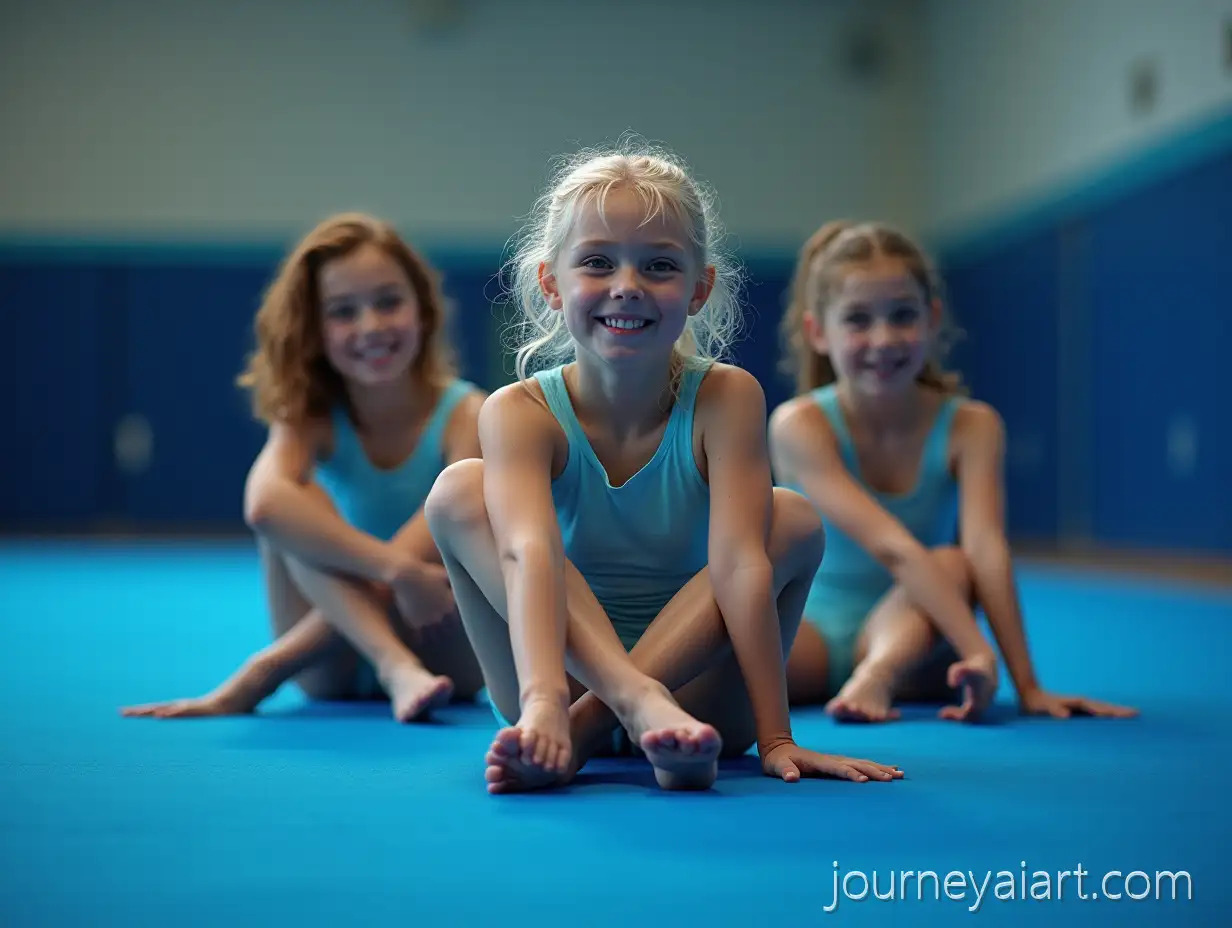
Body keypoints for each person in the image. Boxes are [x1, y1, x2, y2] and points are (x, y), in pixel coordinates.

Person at [423, 140, 903, 794]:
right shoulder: (522, 412)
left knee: (790, 517)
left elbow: (740, 565)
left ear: (699, 289)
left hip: (699, 697)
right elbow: (527, 555)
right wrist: (540, 702)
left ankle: (611, 725)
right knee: (459, 491)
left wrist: (775, 737)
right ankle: (632, 711)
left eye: (658, 265)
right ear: (550, 283)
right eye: (596, 262)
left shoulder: (726, 398)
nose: (627, 286)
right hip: (554, 686)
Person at [769, 219, 1139, 724]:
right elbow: (889, 545)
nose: (884, 339)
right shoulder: (800, 424)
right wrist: (979, 651)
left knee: (953, 562)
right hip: (811, 631)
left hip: (916, 635)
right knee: (731, 653)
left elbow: (987, 548)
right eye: (858, 319)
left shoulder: (971, 426)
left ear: (932, 318)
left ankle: (877, 675)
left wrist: (1027, 686)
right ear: (818, 333)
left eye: (903, 315)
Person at [121, 213, 486, 723]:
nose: (370, 326)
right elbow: (265, 506)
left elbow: (424, 553)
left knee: (433, 516)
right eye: (343, 311)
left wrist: (261, 674)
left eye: (388, 301)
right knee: (297, 504)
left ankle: (392, 662)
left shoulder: (467, 414)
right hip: (329, 668)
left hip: (443, 643)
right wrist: (398, 571)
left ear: (423, 310)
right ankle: (392, 664)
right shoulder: (312, 417)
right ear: (313, 331)